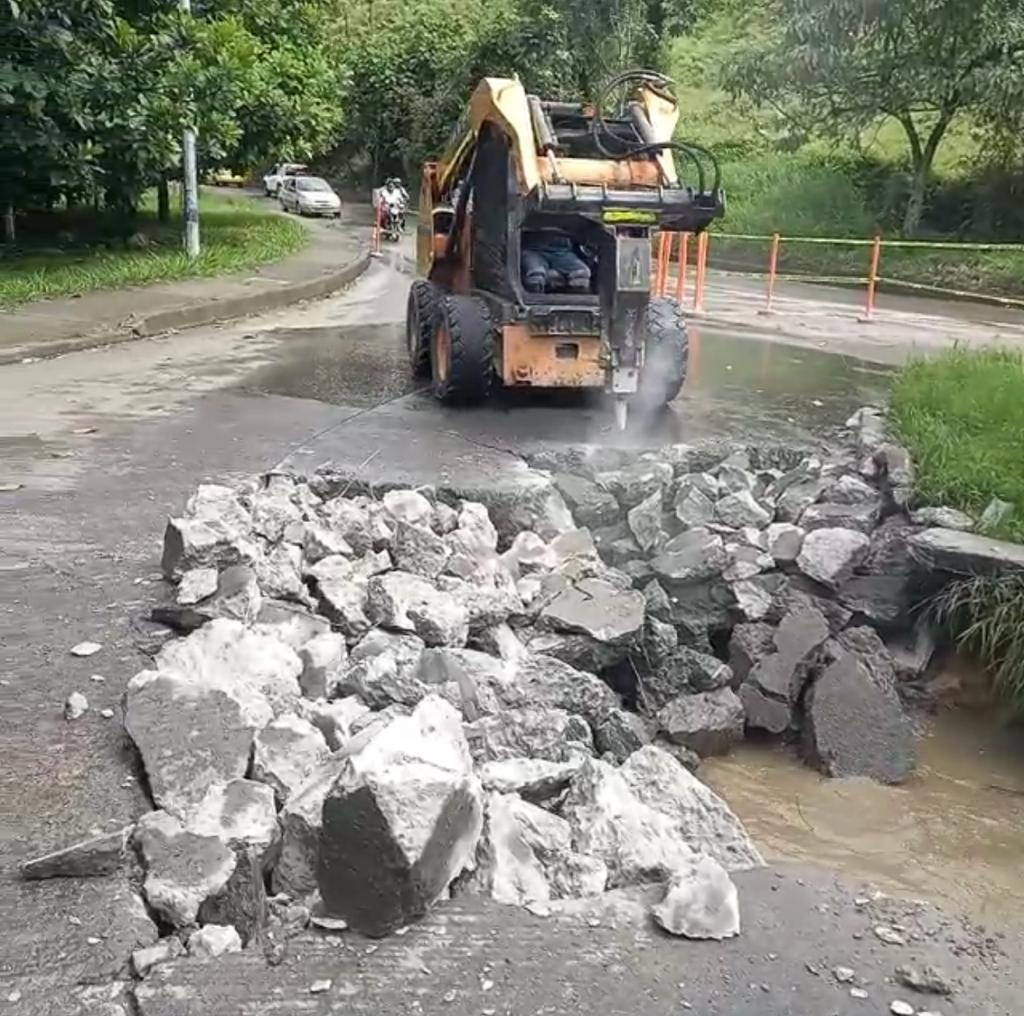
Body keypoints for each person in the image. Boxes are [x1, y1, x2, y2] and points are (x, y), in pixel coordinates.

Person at [521, 228, 592, 294]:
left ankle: (573, 304)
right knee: (535, 278)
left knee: (582, 275)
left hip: (562, 252)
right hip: (533, 250)